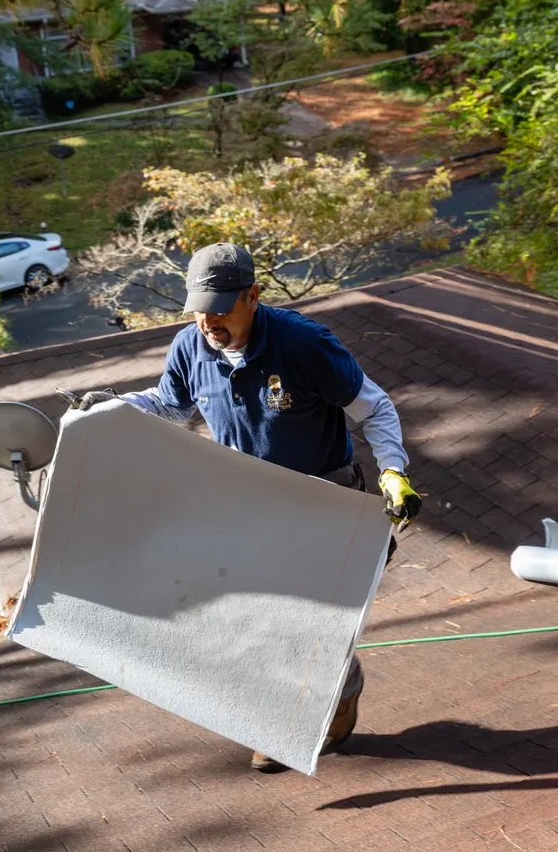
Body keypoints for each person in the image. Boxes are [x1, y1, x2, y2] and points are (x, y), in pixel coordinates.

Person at [72, 243, 421, 772]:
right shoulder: (191, 346)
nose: (208, 321)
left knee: (313, 623)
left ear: (253, 296)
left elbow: (375, 409)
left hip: (322, 501)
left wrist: (393, 471)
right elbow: (171, 405)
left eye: (219, 308)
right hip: (247, 505)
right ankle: (285, 718)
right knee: (260, 622)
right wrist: (112, 406)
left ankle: (334, 695)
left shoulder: (304, 343)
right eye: (198, 309)